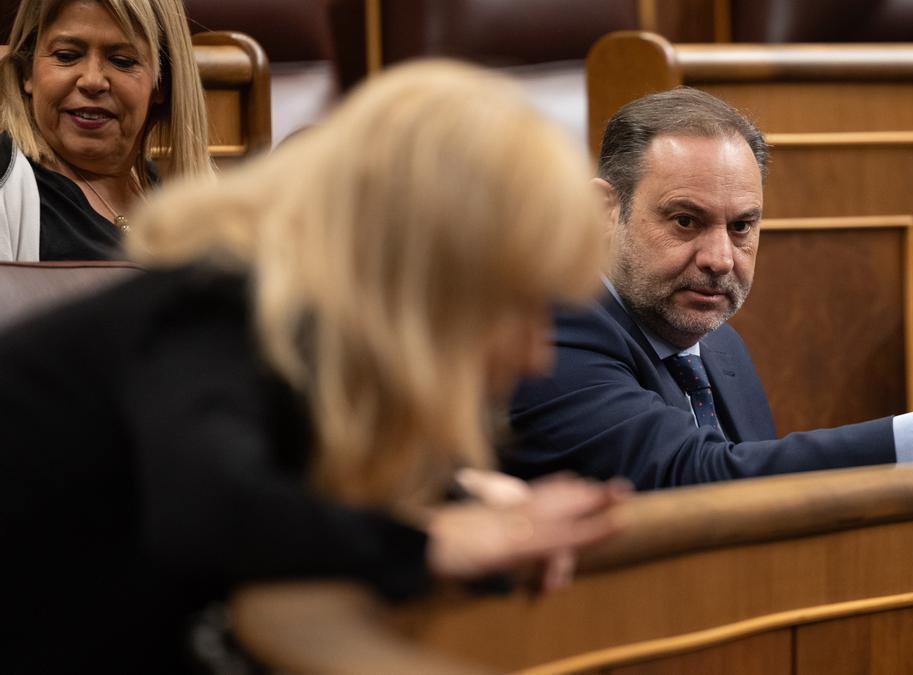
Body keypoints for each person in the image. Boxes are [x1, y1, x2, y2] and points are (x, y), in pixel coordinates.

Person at [0, 61, 624, 671]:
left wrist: (457, 494)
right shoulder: (220, 306)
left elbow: (286, 478)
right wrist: (435, 543)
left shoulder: (299, 332)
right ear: (432, 276)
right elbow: (212, 510)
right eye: (518, 304)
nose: (538, 353)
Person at [505, 87, 913, 494]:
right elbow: (696, 480)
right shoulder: (552, 334)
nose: (720, 259)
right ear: (605, 212)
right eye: (685, 221)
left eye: (742, 226)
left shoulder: (720, 351)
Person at [0, 0, 213, 261]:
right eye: (66, 56)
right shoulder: (7, 180)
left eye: (122, 61)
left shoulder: (175, 198)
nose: (92, 81)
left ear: (162, 83)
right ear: (26, 71)